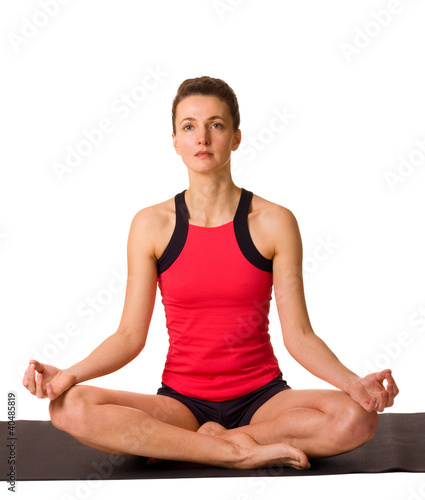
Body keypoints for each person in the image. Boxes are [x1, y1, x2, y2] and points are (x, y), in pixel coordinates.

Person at [22, 76, 399, 471]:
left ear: (236, 137)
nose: (202, 137)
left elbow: (299, 337)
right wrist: (68, 374)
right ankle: (234, 452)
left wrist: (354, 384)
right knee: (69, 407)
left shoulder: (274, 222)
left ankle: (198, 445)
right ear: (175, 141)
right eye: (189, 126)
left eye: (216, 125)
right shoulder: (151, 225)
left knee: (356, 417)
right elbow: (129, 336)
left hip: (263, 401)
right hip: (181, 403)